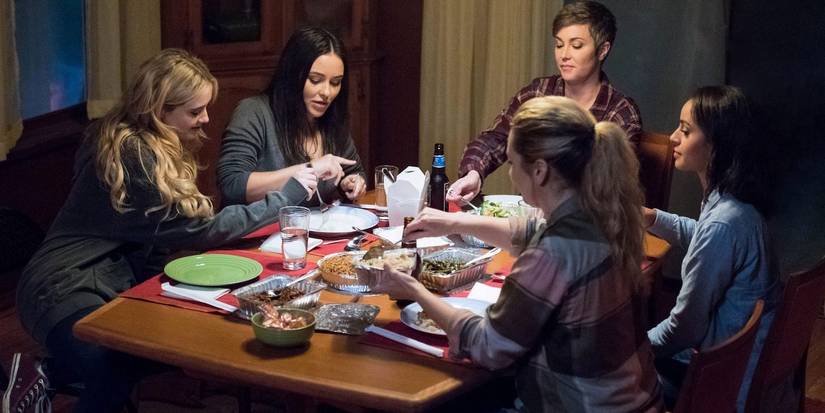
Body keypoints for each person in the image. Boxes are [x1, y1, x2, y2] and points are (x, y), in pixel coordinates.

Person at [7, 49, 311, 413]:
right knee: (112, 371)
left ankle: (47, 373)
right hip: (62, 286)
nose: (205, 119)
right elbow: (199, 230)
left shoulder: (149, 144)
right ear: (158, 110)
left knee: (176, 349)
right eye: (195, 111)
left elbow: (162, 235)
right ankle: (42, 373)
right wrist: (285, 197)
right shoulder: (133, 155)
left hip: (105, 281)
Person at [373, 96, 663, 412]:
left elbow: (490, 348)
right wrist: (452, 221)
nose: (511, 174)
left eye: (512, 163)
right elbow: (526, 232)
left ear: (539, 171)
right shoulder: (602, 213)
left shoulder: (552, 252)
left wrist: (414, 291)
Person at [644, 86, 780, 412]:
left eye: (686, 130)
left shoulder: (723, 223)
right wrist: (650, 217)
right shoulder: (735, 205)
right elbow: (705, 236)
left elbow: (685, 329)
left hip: (721, 380)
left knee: (604, 378)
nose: (673, 138)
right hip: (742, 358)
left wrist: (631, 349)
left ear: (717, 144)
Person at [448, 0, 642, 204]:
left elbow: (612, 185)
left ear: (602, 50)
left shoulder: (621, 112)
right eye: (559, 44)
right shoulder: (539, 92)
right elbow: (497, 137)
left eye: (576, 45)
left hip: (583, 224)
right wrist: (473, 174)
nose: (564, 55)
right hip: (528, 214)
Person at [218, 26, 366, 207]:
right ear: (292, 74)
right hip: (258, 233)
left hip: (312, 231)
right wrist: (309, 170)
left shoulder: (331, 119)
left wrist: (351, 182)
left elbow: (354, 169)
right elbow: (232, 186)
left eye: (335, 82)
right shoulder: (254, 112)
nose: (327, 92)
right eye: (315, 80)